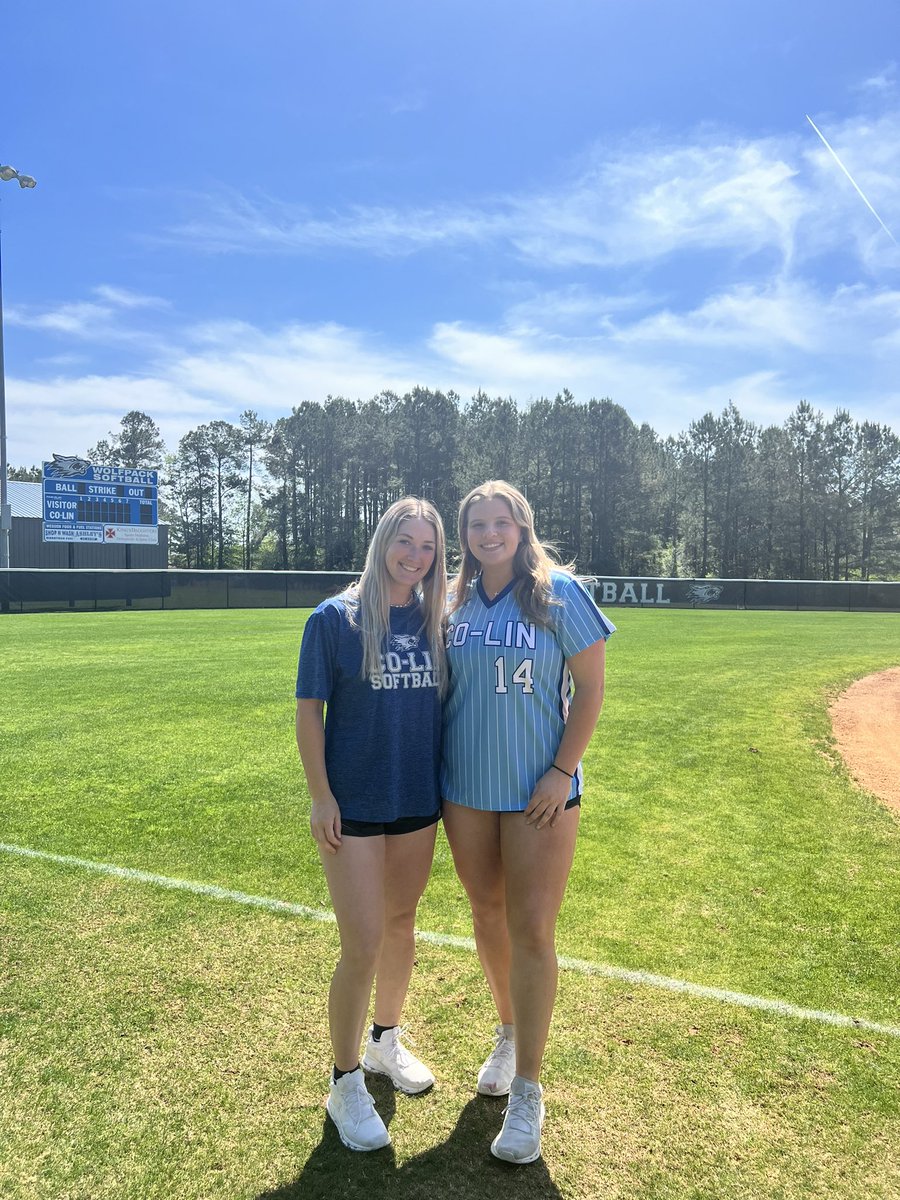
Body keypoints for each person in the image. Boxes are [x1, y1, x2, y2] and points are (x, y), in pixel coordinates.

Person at [441, 480, 615, 1164]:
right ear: (466, 535)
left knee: (533, 929)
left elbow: (594, 689)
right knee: (487, 914)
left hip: (540, 792)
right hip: (465, 790)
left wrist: (561, 770)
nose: (490, 534)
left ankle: (529, 1093)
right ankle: (508, 1030)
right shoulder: (451, 601)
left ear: (522, 527)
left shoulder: (558, 593)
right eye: (478, 524)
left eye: (501, 522)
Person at [295, 497, 447, 1152]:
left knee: (400, 923)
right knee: (360, 942)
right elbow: (309, 712)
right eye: (404, 541)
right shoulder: (334, 618)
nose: (414, 556)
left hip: (416, 799)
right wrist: (321, 795)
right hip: (352, 804)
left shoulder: (438, 618)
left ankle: (386, 1041)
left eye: (427, 547)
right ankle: (344, 1080)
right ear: (384, 540)